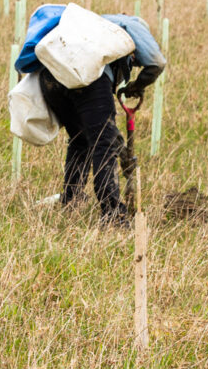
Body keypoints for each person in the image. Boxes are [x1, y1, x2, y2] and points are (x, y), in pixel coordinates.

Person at [35, 13, 166, 224]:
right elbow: (157, 62)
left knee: (81, 139)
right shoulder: (132, 24)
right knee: (103, 143)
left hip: (50, 78)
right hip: (89, 78)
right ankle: (113, 213)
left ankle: (72, 199)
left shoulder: (87, 23)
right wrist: (136, 86)